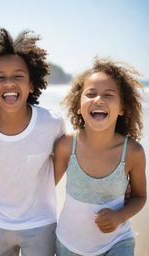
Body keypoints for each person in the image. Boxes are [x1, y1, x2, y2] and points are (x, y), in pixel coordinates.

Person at [0, 28, 65, 256]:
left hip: (41, 223)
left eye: (18, 76)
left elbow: (64, 160)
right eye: (0, 77)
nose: (9, 83)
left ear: (31, 84)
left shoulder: (51, 123)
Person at [54, 57, 147, 256]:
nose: (99, 99)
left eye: (109, 94)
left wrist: (120, 216)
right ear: (78, 105)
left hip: (117, 242)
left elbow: (139, 196)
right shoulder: (66, 145)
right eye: (91, 94)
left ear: (122, 108)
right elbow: (43, 186)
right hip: (69, 244)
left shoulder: (132, 152)